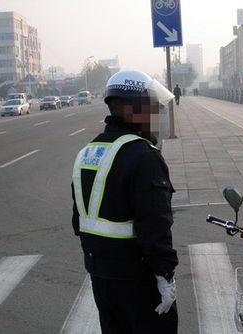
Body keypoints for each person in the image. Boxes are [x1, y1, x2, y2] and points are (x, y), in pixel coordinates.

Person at [71, 69, 179, 334]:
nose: (155, 116)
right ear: (130, 109)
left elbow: (79, 221)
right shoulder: (144, 156)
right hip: (138, 278)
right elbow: (155, 225)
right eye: (151, 108)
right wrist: (165, 275)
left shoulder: (88, 151)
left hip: (101, 277)